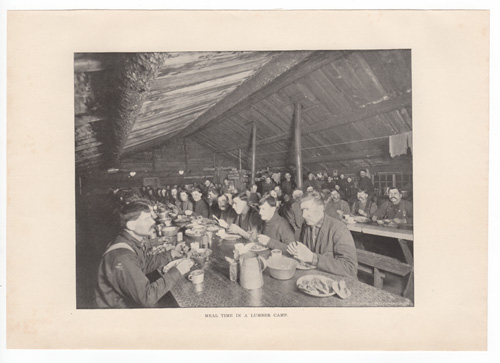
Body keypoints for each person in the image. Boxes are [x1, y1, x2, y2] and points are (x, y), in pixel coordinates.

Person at [95, 201, 194, 308]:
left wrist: (171, 253)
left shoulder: (128, 241)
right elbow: (147, 298)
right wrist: (177, 271)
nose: (153, 222)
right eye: (147, 219)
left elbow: (144, 263)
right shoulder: (122, 257)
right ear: (131, 225)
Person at [286, 191, 358, 278]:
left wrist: (313, 258)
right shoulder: (307, 226)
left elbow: (350, 269)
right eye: (302, 210)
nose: (304, 215)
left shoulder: (339, 229)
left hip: (339, 282)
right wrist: (296, 250)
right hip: (317, 277)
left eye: (307, 209)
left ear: (321, 208)